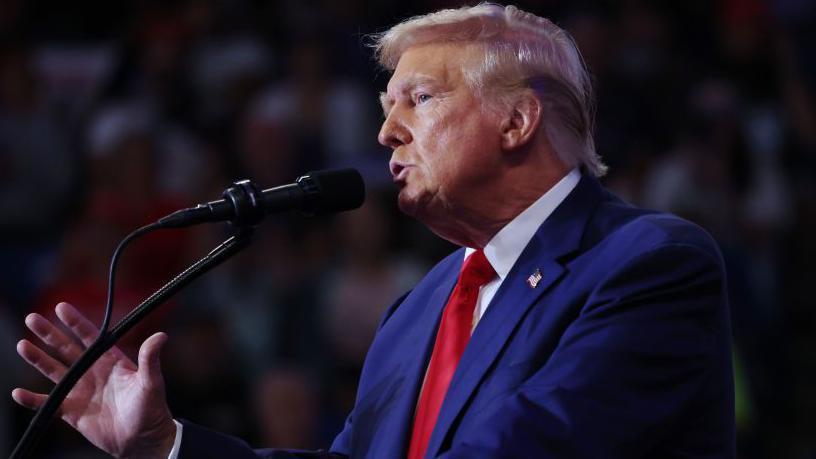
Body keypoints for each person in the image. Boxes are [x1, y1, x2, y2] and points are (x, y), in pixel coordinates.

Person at [12, 4, 735, 458]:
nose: (386, 131)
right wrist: (164, 446)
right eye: (388, 105)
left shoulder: (648, 264)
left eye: (419, 99)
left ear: (517, 121)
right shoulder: (417, 309)